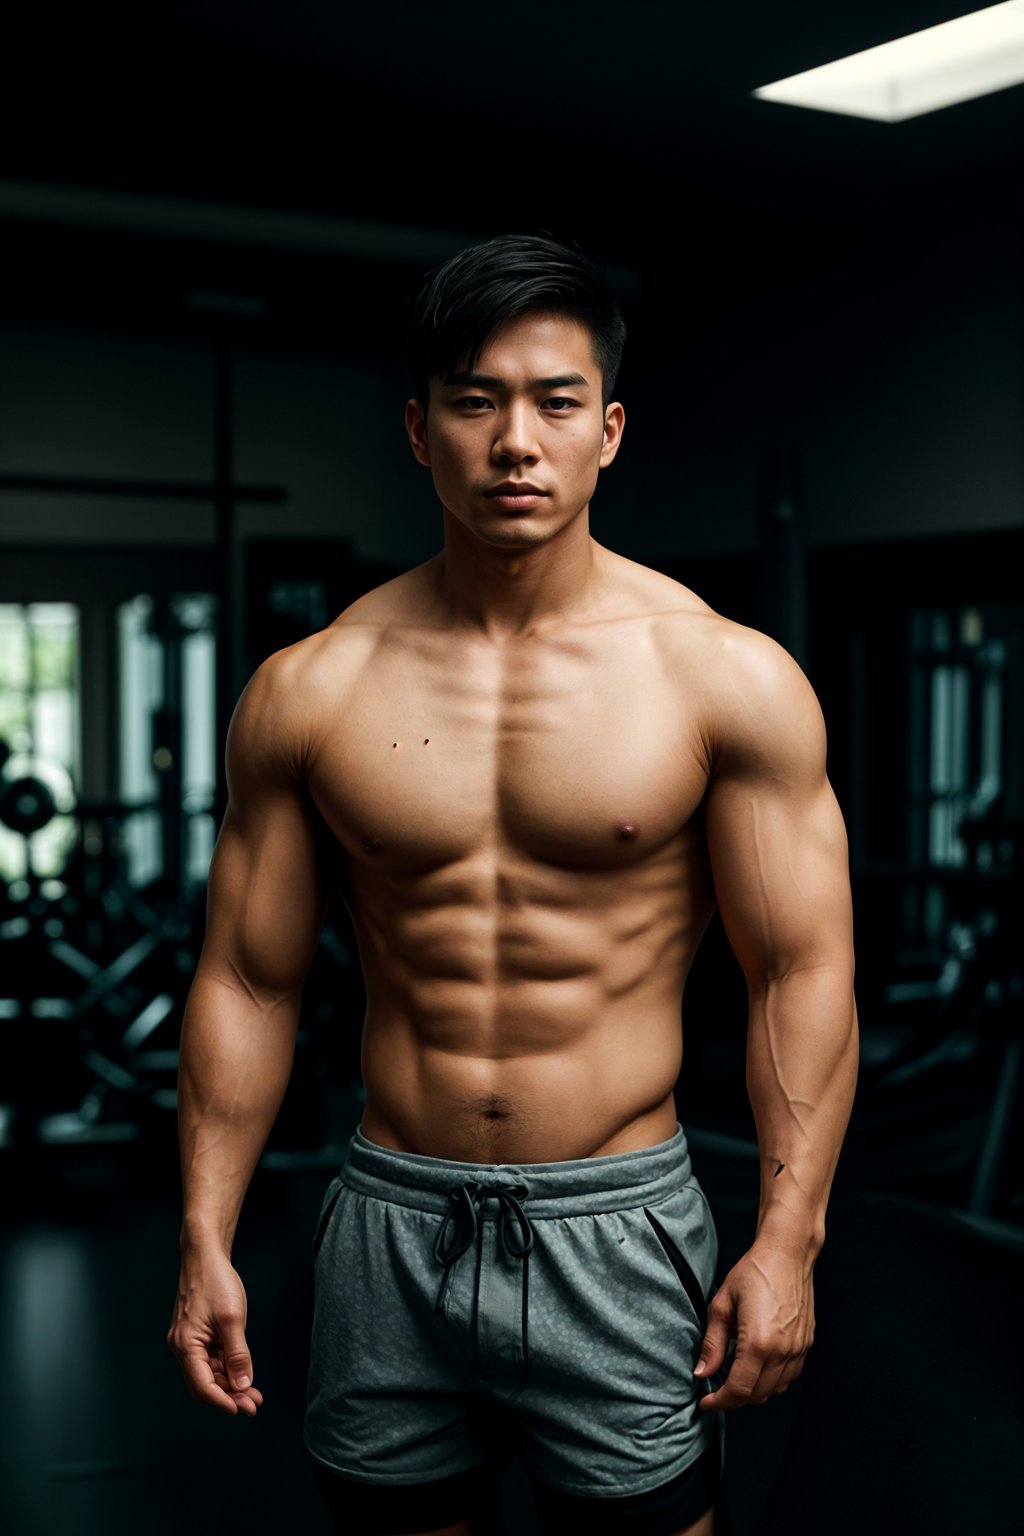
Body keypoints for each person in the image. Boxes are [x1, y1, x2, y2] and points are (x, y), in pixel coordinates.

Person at [167, 234, 858, 1536]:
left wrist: (789, 1241)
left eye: (554, 402)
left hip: (617, 1218)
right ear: (421, 431)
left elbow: (801, 973)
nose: (517, 442)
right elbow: (248, 979)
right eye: (478, 402)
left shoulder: (725, 677)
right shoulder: (311, 688)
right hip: (389, 1218)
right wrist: (205, 1234)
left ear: (611, 429)